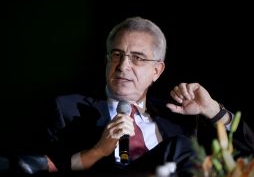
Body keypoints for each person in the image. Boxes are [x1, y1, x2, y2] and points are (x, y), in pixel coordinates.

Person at [46, 17, 254, 176]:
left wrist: (212, 110)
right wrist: (99, 150)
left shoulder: (176, 116)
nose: (123, 66)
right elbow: (48, 167)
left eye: (137, 58)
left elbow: (247, 154)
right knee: (179, 146)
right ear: (107, 61)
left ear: (157, 71)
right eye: (117, 55)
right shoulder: (69, 108)